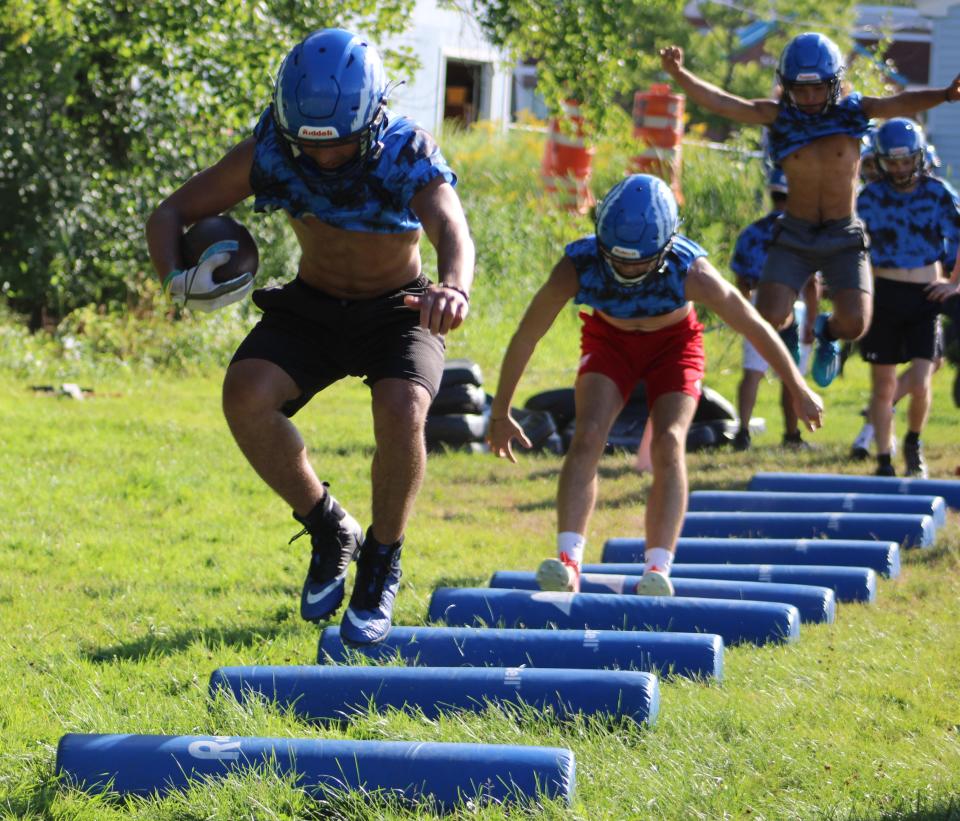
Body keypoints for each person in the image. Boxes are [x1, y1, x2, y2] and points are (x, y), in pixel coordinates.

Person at [145, 28, 475, 644]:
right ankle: (329, 526)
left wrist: (454, 285)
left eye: (341, 145)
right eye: (309, 146)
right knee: (244, 394)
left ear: (374, 117)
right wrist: (175, 279)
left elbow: (452, 225)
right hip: (314, 305)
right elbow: (169, 212)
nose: (323, 159)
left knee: (403, 410)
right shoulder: (269, 149)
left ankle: (381, 559)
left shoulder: (408, 151)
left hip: (398, 309)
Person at [486, 175, 822, 596]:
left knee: (668, 441)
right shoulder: (578, 265)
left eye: (638, 263)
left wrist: (797, 386)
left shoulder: (692, 270)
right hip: (611, 343)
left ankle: (657, 567)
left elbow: (753, 325)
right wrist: (500, 412)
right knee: (588, 434)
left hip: (674, 346)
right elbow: (526, 335)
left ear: (664, 248)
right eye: (618, 260)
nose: (627, 270)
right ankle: (569, 558)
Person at [660, 33, 960, 389]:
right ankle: (789, 344)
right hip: (795, 233)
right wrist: (679, 74)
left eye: (818, 89)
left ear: (834, 84)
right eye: (800, 91)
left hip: (843, 234)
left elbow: (900, 101)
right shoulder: (780, 117)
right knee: (769, 314)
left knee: (855, 324)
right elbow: (725, 103)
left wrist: (944, 94)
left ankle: (826, 332)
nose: (810, 98)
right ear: (786, 87)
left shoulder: (854, 112)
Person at [853, 118, 960, 477]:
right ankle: (884, 458)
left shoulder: (938, 192)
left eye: (905, 161)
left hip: (926, 294)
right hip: (884, 294)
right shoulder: (869, 198)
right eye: (892, 162)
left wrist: (954, 283)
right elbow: (851, 248)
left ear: (918, 157)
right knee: (882, 384)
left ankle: (913, 441)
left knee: (921, 377)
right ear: (880, 161)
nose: (899, 169)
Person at [731, 166, 820, 451]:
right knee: (792, 375)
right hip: (793, 301)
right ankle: (792, 435)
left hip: (758, 302)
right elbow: (812, 285)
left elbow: (741, 280)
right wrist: (811, 324)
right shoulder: (803, 234)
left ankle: (742, 431)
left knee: (752, 372)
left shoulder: (752, 232)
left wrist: (744, 312)